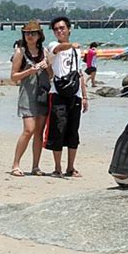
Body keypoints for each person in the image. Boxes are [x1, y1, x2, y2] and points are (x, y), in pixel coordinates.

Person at [44, 16, 88, 178]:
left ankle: (71, 167)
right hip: (58, 93)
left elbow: (80, 74)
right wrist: (71, 45)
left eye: (62, 28)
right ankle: (57, 167)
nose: (59, 31)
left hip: (74, 94)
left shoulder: (76, 51)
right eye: (56, 29)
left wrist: (84, 96)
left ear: (69, 29)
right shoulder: (53, 45)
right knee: (58, 129)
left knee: (73, 131)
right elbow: (58, 50)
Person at [10, 21, 51, 177]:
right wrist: (29, 71)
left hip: (42, 94)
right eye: (27, 33)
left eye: (33, 33)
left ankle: (35, 166)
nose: (30, 36)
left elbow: (51, 75)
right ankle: (16, 164)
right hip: (27, 95)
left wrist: (46, 66)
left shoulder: (44, 51)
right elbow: (13, 77)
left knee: (39, 132)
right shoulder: (20, 52)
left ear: (39, 35)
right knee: (28, 130)